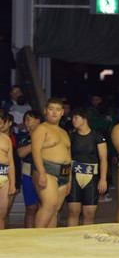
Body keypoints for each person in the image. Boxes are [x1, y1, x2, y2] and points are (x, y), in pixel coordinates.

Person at [31, 98, 72, 228]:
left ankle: (49, 238)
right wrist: (41, 173)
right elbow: (35, 151)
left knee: (55, 210)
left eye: (58, 109)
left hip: (64, 173)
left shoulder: (64, 132)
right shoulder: (41, 129)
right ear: (45, 111)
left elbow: (69, 156)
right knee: (49, 205)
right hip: (47, 171)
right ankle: (36, 237)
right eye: (51, 109)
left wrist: (69, 179)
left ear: (62, 113)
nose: (54, 112)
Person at [66, 107, 108, 226]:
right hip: (74, 176)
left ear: (85, 119)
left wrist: (103, 179)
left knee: (90, 213)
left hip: (92, 177)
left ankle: (87, 237)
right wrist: (67, 180)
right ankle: (71, 236)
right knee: (73, 212)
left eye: (76, 117)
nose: (73, 120)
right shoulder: (71, 137)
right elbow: (67, 160)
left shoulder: (97, 136)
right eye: (72, 118)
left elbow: (103, 159)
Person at [16, 110, 42, 227]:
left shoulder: (47, 137)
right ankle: (29, 234)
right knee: (31, 208)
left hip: (45, 174)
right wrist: (35, 142)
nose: (26, 123)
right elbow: (21, 154)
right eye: (24, 120)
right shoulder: (23, 138)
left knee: (47, 206)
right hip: (28, 174)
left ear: (38, 121)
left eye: (28, 120)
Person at [0, 109, 16, 229]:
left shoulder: (6, 139)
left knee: (2, 213)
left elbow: (11, 162)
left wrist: (12, 183)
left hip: (4, 176)